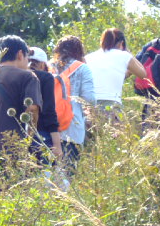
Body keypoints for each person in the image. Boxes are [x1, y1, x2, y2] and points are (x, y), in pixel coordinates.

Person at [0, 35, 42, 153]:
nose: (28, 62)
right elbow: (32, 109)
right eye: (27, 57)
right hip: (11, 149)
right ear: (20, 54)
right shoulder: (28, 76)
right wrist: (28, 140)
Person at [51, 35, 96, 168]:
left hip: (48, 126)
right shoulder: (82, 68)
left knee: (49, 170)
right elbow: (89, 99)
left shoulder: (47, 67)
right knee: (68, 170)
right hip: (71, 127)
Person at [85, 28, 146, 114]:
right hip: (112, 104)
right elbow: (143, 74)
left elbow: (109, 77)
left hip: (89, 106)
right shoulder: (124, 55)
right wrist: (129, 54)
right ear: (121, 43)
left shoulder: (88, 57)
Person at [28, 46, 62, 161]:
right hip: (41, 134)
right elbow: (48, 110)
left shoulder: (18, 76)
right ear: (43, 64)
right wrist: (57, 144)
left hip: (18, 133)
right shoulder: (46, 77)